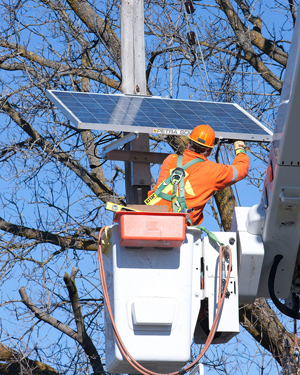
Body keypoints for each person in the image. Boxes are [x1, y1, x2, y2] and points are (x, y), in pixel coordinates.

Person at [145, 124, 249, 225]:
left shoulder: (170, 159)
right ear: (209, 151)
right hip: (177, 227)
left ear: (189, 142)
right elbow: (241, 170)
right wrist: (240, 148)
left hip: (149, 218)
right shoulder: (212, 171)